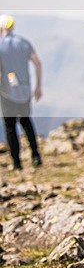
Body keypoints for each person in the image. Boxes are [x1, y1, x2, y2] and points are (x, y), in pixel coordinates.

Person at [0, 15, 43, 170]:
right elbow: (38, 63)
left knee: (10, 126)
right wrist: (38, 86)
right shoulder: (24, 43)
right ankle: (36, 156)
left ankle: (17, 163)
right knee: (26, 122)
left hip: (6, 92)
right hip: (25, 91)